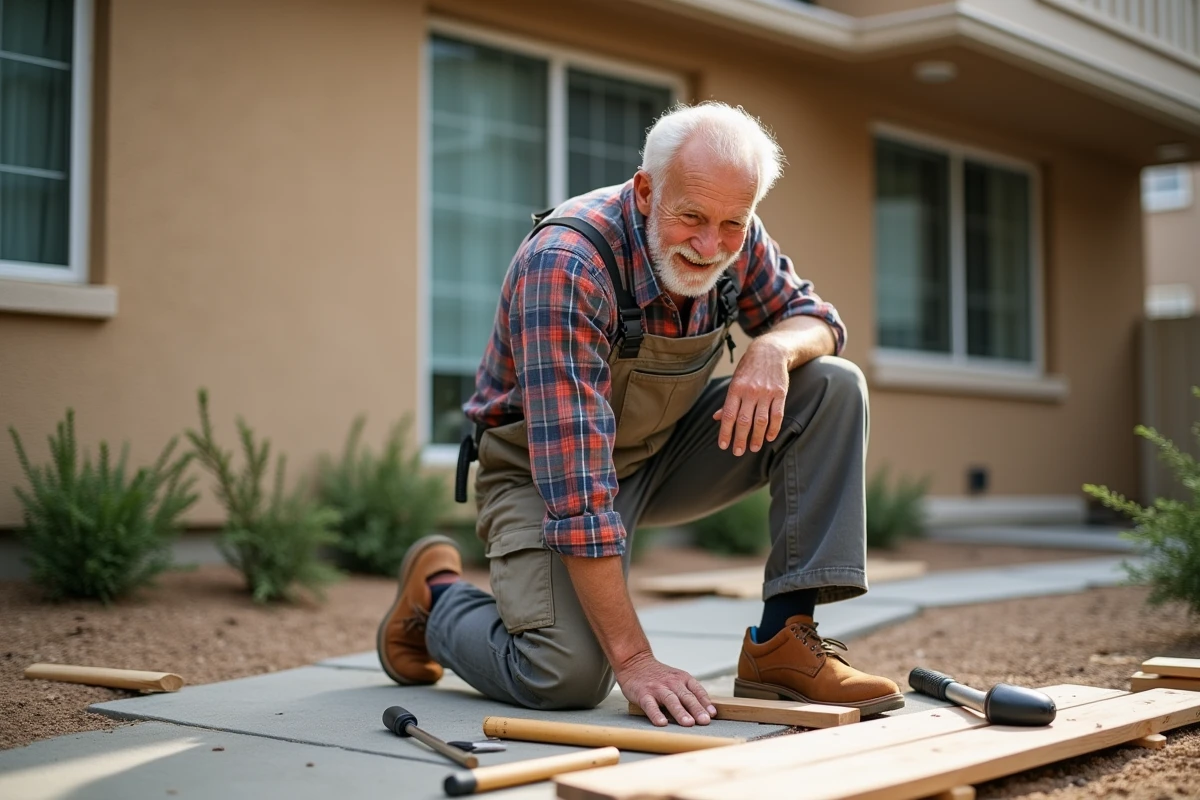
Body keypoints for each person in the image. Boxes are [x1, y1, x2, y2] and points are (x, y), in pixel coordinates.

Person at [376, 101, 903, 727]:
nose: (710, 248)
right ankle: (435, 602)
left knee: (831, 387)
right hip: (542, 479)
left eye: (733, 223)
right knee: (563, 676)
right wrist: (634, 659)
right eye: (693, 218)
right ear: (648, 191)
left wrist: (772, 347)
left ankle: (781, 642)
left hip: (659, 453)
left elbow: (819, 321)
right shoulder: (567, 266)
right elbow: (576, 494)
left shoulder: (734, 231)